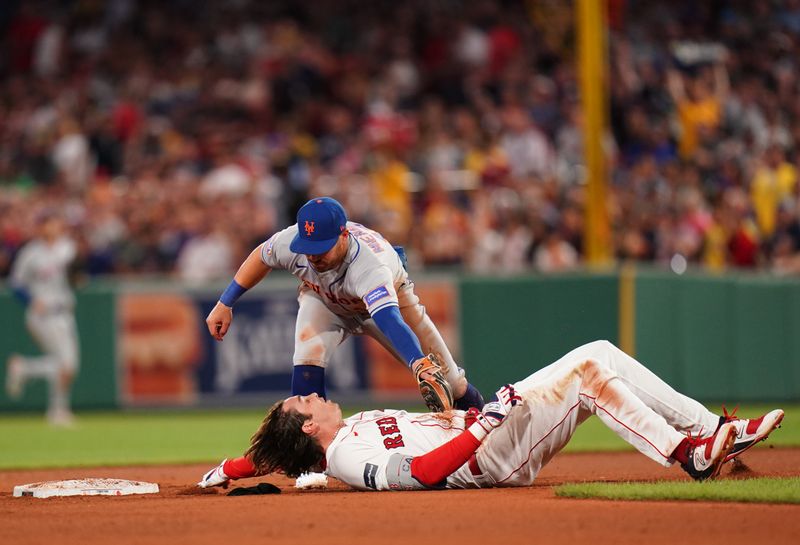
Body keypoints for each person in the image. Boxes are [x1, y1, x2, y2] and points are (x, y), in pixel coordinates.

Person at [198, 340, 784, 490]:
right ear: (308, 425)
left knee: (597, 355)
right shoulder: (347, 454)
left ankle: (709, 432)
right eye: (303, 401)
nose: (312, 394)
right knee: (589, 379)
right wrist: (484, 424)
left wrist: (231, 467)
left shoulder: (342, 433)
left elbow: (271, 453)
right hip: (489, 458)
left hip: (484, 432)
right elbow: (423, 475)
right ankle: (692, 456)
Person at [202, 197, 485, 482]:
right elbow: (261, 256)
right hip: (325, 302)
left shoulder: (370, 266)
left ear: (344, 235)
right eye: (308, 248)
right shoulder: (292, 242)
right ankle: (310, 465)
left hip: (390, 304)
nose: (313, 256)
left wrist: (418, 363)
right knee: (307, 354)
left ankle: (491, 435)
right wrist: (225, 302)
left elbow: (389, 319)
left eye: (321, 248)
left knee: (451, 382)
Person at [5, 212, 80, 426]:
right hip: (42, 314)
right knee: (66, 363)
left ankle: (25, 369)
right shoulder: (30, 253)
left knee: (68, 365)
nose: (54, 227)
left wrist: (79, 276)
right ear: (41, 227)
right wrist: (30, 301)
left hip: (65, 312)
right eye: (49, 224)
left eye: (56, 223)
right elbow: (16, 284)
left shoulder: (68, 247)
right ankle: (58, 410)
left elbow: (77, 275)